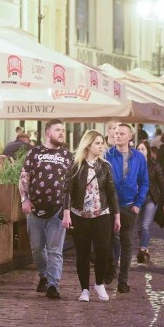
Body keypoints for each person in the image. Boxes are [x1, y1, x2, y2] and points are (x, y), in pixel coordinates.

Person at [62, 130, 120, 303]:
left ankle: (99, 283)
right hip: (79, 215)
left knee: (103, 251)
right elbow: (67, 190)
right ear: (88, 145)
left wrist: (116, 215)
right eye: (97, 143)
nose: (101, 146)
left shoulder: (105, 166)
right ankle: (84, 289)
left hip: (101, 214)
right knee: (83, 253)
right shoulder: (75, 165)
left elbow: (111, 192)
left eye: (102, 143)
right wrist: (66, 213)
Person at [19, 119, 72, 299]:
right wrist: (24, 199)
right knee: (37, 248)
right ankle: (43, 274)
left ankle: (52, 284)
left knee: (55, 250)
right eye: (58, 130)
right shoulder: (34, 153)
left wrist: (68, 209)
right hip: (35, 208)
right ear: (48, 133)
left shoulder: (68, 155)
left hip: (57, 207)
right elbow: (24, 177)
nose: (61, 133)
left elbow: (71, 185)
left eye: (63, 130)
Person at [105, 123, 149, 294]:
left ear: (130, 137)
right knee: (110, 240)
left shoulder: (138, 157)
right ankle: (111, 267)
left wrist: (138, 204)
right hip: (109, 207)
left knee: (126, 243)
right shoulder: (107, 154)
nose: (118, 136)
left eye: (122, 133)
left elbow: (144, 182)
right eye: (116, 133)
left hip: (129, 206)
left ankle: (123, 280)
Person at [135, 140, 164, 265]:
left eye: (143, 149)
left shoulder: (155, 166)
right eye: (138, 149)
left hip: (150, 199)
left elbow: (161, 185)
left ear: (148, 151)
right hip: (137, 199)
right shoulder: (133, 164)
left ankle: (142, 249)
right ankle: (145, 248)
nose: (140, 151)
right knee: (138, 227)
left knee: (145, 225)